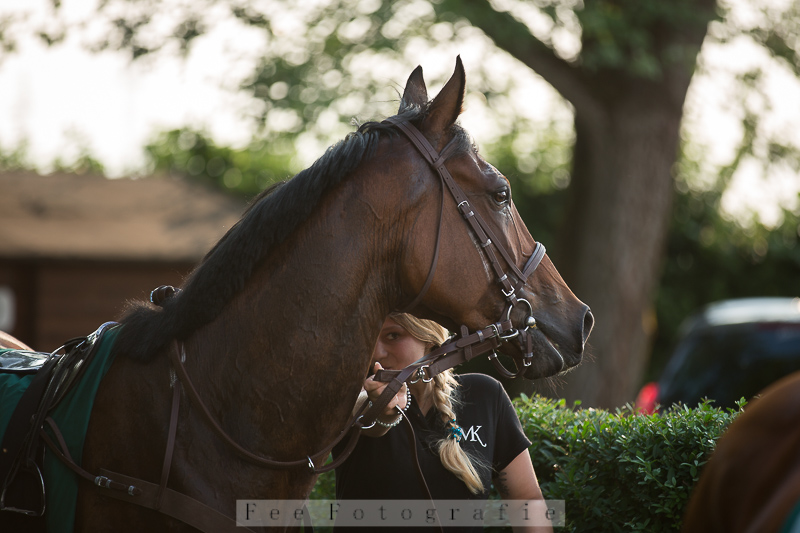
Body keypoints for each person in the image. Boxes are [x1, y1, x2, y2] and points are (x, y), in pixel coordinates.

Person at [332, 313, 553, 532]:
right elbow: (367, 414)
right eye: (370, 338)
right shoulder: (349, 397)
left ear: (428, 338)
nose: (377, 353)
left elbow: (527, 500)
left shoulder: (484, 394)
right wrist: (385, 411)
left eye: (393, 336)